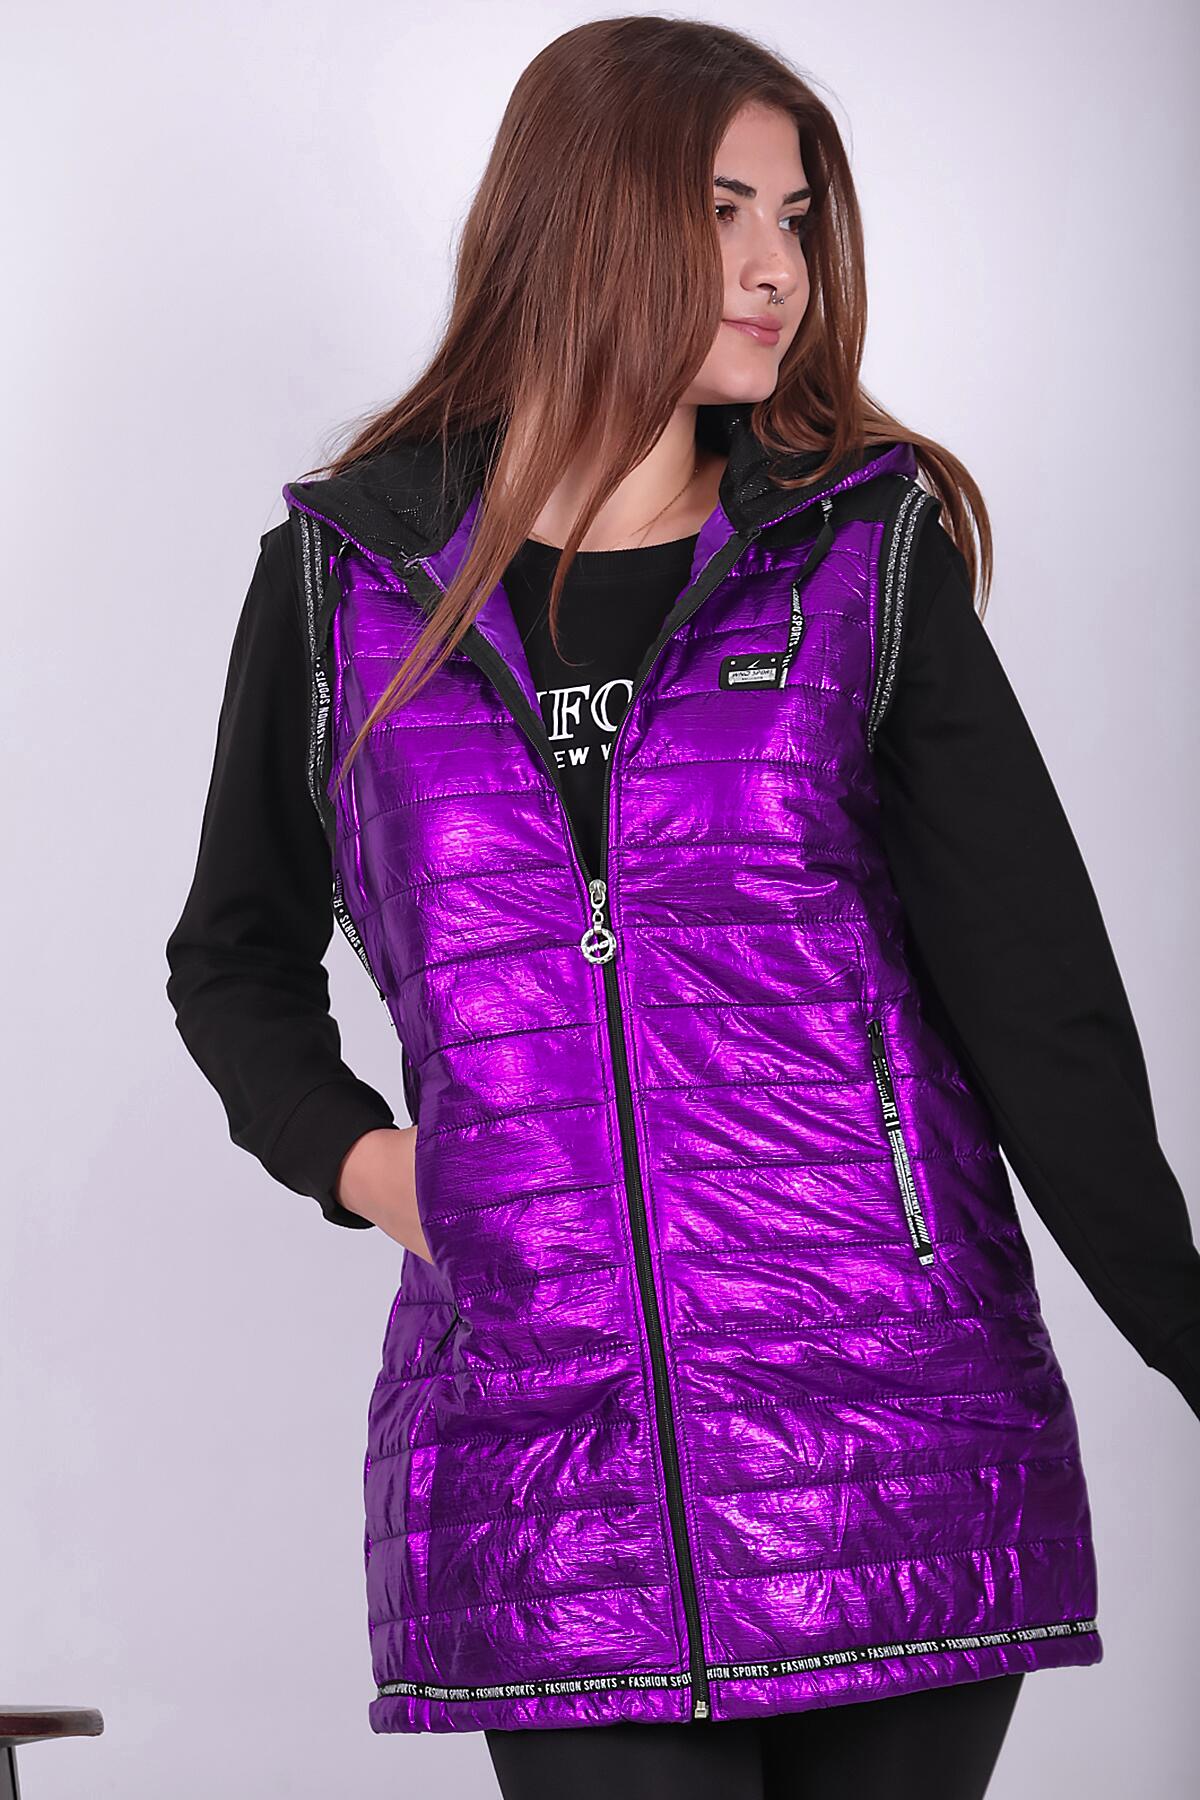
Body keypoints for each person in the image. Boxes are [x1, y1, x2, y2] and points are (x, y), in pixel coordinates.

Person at [163, 16, 1199, 1798]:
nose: (777, 267)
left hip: (892, 1436)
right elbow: (231, 958)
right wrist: (378, 1169)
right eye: (725, 210)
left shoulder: (858, 558)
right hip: (541, 1476)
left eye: (795, 217)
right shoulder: (345, 584)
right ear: (583, 215)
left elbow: (1041, 1009)